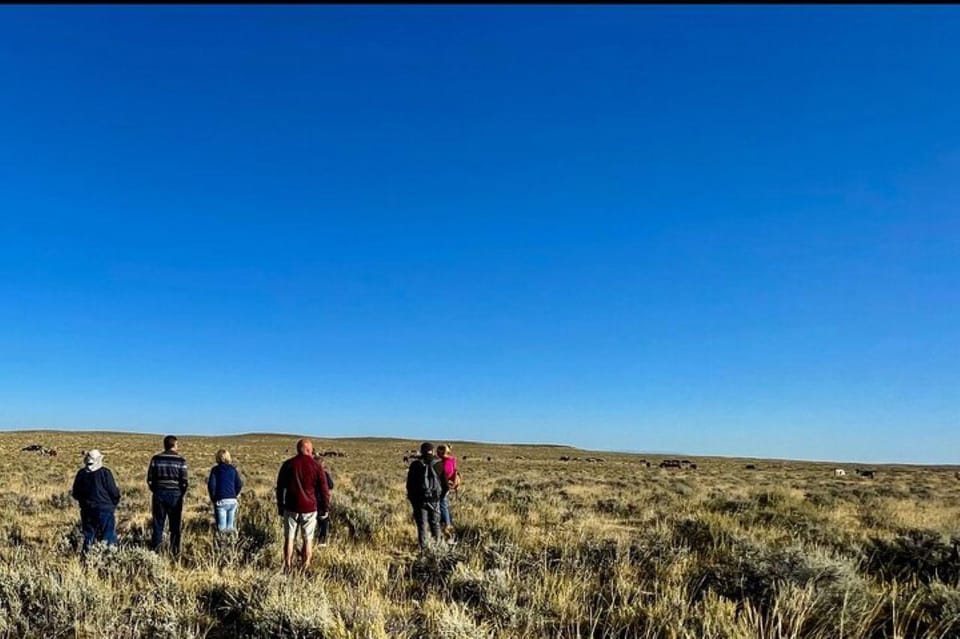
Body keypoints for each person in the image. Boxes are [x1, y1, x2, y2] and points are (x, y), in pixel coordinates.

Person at [276, 439, 329, 571]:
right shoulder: (316, 466)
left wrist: (280, 505)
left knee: (289, 538)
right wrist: (325, 508)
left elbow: (280, 487)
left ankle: (287, 565)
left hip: (291, 507)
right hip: (309, 508)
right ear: (309, 450)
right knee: (308, 539)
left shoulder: (288, 464)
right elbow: (324, 489)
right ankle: (305, 567)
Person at [71, 449, 121, 553]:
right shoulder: (105, 473)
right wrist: (113, 503)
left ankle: (87, 558)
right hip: (105, 509)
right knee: (108, 535)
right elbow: (114, 492)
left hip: (87, 510)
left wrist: (84, 502)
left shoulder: (81, 473)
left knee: (89, 535)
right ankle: (107, 557)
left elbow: (75, 493)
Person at [147, 435, 188, 556]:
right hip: (175, 495)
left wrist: (156, 490)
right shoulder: (181, 461)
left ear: (165, 445)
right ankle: (175, 551)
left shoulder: (156, 459)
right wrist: (181, 493)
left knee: (158, 523)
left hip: (159, 494)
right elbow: (184, 481)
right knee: (175, 525)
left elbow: (150, 479)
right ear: (174, 445)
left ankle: (156, 551)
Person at [406, 442, 448, 550]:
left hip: (420, 500)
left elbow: (409, 485)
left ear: (421, 451)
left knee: (422, 526)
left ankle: (423, 551)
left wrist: (412, 499)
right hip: (434, 500)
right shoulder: (439, 464)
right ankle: (438, 549)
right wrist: (440, 497)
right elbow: (446, 486)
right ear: (432, 451)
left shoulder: (415, 464)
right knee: (435, 524)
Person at [207, 449, 243, 534]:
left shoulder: (215, 470)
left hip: (221, 500)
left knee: (221, 529)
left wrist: (214, 498)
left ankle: (222, 545)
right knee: (230, 528)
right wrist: (234, 494)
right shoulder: (233, 469)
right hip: (232, 500)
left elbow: (211, 485)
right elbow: (239, 484)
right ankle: (231, 544)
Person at [436, 444, 459, 542]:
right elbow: (454, 471)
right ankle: (448, 523)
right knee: (444, 504)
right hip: (449, 485)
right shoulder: (452, 460)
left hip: (444, 485)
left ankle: (447, 525)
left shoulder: (444, 463)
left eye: (438, 451)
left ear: (441, 452)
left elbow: (444, 474)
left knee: (442, 504)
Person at [313, 454, 335, 547]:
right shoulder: (325, 474)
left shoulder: (309, 474)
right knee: (323, 523)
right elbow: (330, 486)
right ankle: (322, 542)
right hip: (321, 502)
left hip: (310, 503)